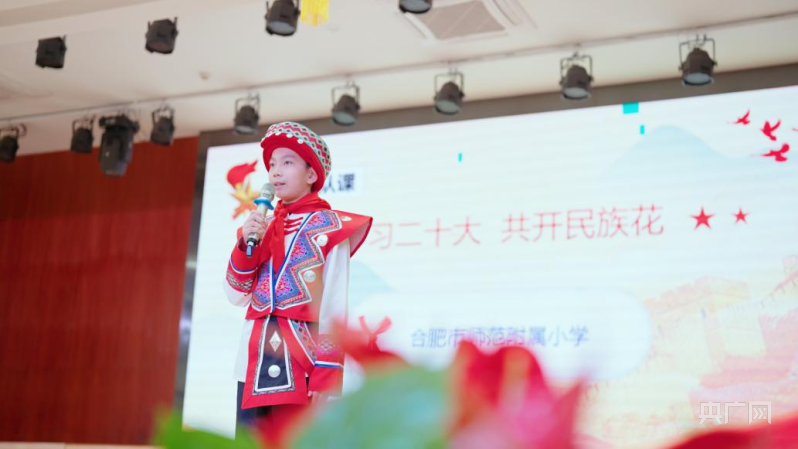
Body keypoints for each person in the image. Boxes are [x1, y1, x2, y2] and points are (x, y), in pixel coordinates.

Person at [223, 121, 372, 445]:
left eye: (287, 162)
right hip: (251, 364)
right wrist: (246, 244)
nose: (276, 171)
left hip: (302, 366)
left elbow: (334, 306)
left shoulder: (331, 228)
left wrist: (326, 375)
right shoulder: (261, 227)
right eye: (272, 164)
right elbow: (236, 295)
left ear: (311, 174)